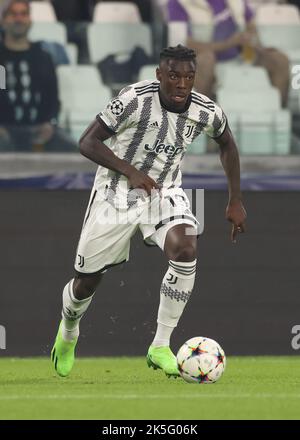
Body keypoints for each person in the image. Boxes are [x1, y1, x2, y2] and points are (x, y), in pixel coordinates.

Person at [51, 44, 247, 378]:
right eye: (173, 75)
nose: (182, 83)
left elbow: (226, 143)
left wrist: (235, 199)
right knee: (86, 283)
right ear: (160, 76)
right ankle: (69, 331)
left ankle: (160, 345)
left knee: (186, 247)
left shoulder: (205, 110)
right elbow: (88, 142)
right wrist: (129, 170)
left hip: (164, 191)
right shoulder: (134, 99)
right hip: (115, 195)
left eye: (188, 76)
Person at [168, 0, 290, 108]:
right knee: (206, 60)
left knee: (279, 60)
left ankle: (278, 118)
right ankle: (201, 120)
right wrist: (228, 43)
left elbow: (251, 25)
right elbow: (181, 44)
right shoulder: (178, 3)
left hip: (242, 57)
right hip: (204, 61)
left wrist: (252, 37)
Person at [0, 0, 77, 152]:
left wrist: (49, 124)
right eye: (13, 14)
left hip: (40, 129)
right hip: (4, 129)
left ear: (30, 20)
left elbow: (53, 97)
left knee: (75, 151)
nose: (19, 19)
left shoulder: (43, 57)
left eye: (24, 14)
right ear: (3, 21)